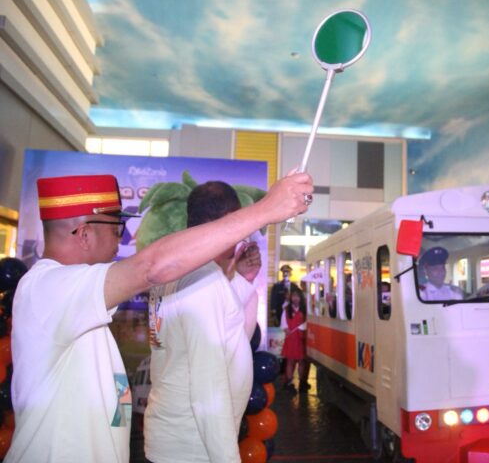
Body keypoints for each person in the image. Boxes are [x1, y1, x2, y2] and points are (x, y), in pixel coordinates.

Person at [6, 171, 312, 463]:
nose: (120, 239)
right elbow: (151, 267)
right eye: (116, 228)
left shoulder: (69, 297)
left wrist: (239, 281)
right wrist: (265, 210)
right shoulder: (47, 288)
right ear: (85, 234)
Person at [145, 181, 262, 462]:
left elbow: (225, 332)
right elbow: (207, 391)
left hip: (179, 437)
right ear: (227, 221)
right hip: (194, 446)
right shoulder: (204, 281)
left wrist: (241, 279)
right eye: (239, 222)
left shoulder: (179, 268)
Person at [280, 287, 309, 393]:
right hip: (291, 339)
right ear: (291, 297)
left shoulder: (305, 310)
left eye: (297, 296)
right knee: (290, 361)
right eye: (293, 296)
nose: (295, 298)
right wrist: (286, 329)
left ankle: (302, 383)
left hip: (302, 339)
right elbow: (283, 324)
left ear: (301, 297)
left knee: (302, 361)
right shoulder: (287, 310)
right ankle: (289, 382)